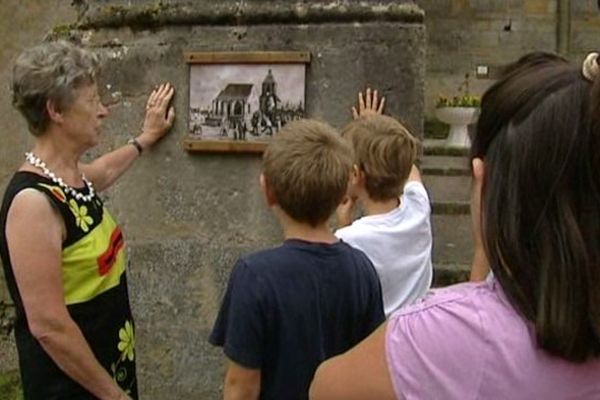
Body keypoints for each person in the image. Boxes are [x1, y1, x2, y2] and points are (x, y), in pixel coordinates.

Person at [309, 53, 600, 399]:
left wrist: (372, 128)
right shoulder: (417, 208)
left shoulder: (433, 336)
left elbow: (324, 388)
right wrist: (377, 131)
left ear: (484, 179)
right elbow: (411, 174)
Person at [0, 40, 175, 399]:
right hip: (72, 388)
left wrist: (145, 138)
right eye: (93, 101)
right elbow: (48, 326)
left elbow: (104, 171)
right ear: (56, 111)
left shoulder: (68, 178)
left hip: (107, 371)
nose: (104, 111)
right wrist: (113, 396)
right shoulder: (32, 204)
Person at [209, 119, 385, 399]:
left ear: (268, 191)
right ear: (343, 195)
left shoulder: (254, 275)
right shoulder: (362, 269)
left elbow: (241, 387)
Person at [336, 89, 433, 317]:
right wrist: (375, 126)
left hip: (377, 341)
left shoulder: (349, 239)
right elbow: (410, 168)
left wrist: (343, 221)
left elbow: (341, 271)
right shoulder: (418, 208)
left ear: (355, 175)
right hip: (416, 335)